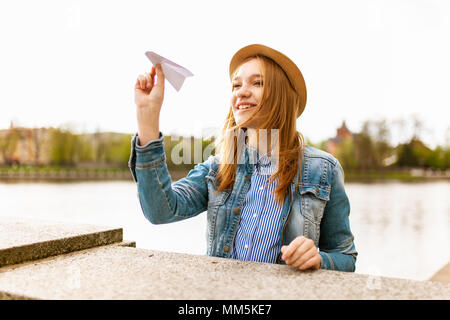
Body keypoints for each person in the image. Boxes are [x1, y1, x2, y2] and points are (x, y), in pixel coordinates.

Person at [129, 44, 357, 272]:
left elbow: (345, 257)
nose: (241, 92)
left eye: (257, 83)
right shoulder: (218, 167)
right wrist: (147, 120)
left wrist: (318, 259)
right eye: (236, 85)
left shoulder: (324, 169)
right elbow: (160, 211)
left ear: (282, 95)